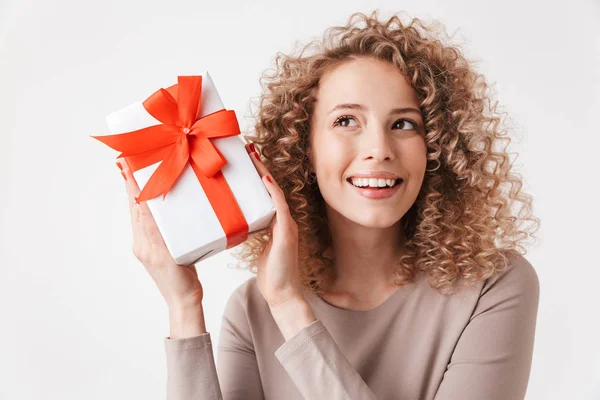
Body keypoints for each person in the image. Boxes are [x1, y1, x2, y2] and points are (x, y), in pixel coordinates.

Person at [117, 10, 541, 400]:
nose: (378, 149)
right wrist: (184, 305)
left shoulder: (492, 285)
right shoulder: (251, 311)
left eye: (404, 124)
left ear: (436, 149)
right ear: (305, 149)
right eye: (345, 121)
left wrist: (289, 306)